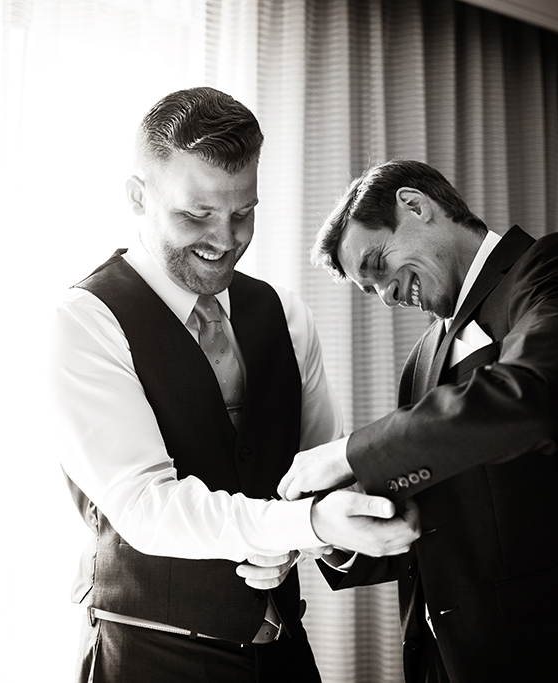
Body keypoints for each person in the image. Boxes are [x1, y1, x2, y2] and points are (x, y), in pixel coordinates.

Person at [50, 88, 420, 683]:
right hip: (150, 658)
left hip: (283, 653)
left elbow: (323, 471)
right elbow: (146, 507)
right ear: (138, 198)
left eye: (243, 212)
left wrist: (302, 538)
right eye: (196, 215)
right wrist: (305, 526)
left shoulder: (287, 314)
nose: (225, 239)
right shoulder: (87, 320)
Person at [275, 159, 558, 682]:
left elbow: (536, 397)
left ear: (416, 206)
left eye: (377, 265)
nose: (387, 296)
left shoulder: (549, 267)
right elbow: (427, 525)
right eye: (369, 291)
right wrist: (327, 529)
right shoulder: (420, 360)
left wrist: (348, 453)